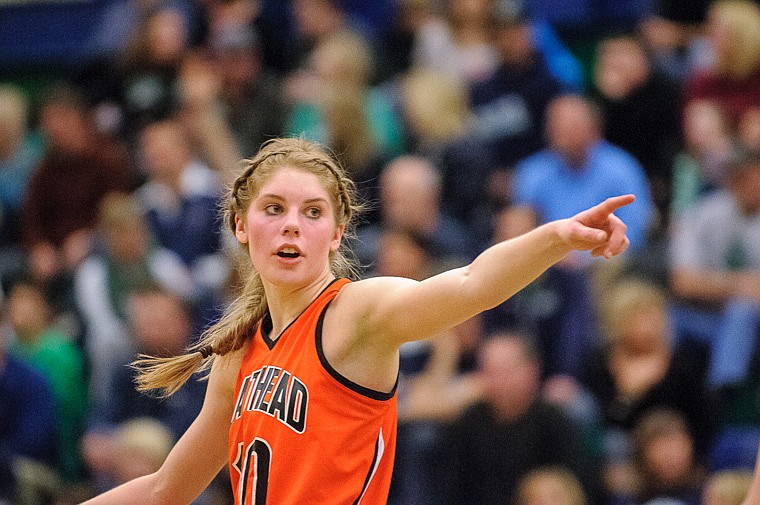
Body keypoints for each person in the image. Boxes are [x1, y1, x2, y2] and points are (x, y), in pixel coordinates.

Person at [81, 137, 634, 505]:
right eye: (273, 209)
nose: (292, 226)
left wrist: (557, 236)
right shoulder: (237, 351)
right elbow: (163, 492)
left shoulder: (356, 313)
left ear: (338, 232)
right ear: (241, 226)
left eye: (313, 212)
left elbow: (471, 285)